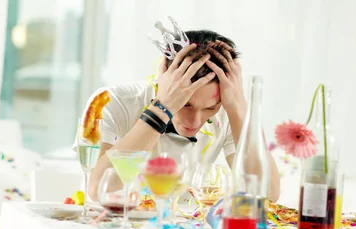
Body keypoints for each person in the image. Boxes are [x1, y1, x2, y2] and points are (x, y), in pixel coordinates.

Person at [81, 28, 280, 202]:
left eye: (210, 109)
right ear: (163, 79)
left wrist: (238, 108)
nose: (195, 121)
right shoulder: (111, 102)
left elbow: (267, 194)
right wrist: (162, 108)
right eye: (185, 104)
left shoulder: (228, 110)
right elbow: (100, 190)